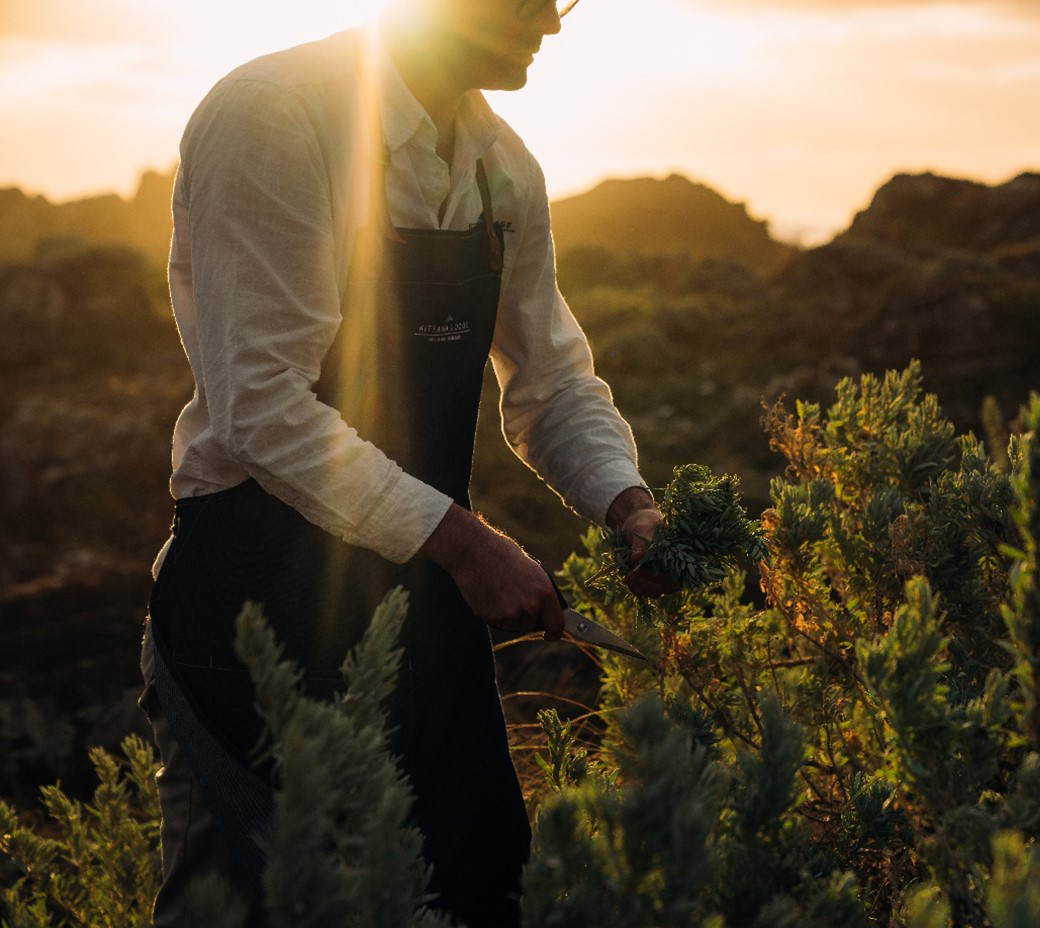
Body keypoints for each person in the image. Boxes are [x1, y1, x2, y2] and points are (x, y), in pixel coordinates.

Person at [137, 0, 668, 924]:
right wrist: (468, 546)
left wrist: (629, 506)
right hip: (251, 597)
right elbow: (262, 410)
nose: (550, 21)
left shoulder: (502, 167)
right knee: (246, 901)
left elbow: (550, 384)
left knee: (469, 890)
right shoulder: (275, 116)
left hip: (418, 605)